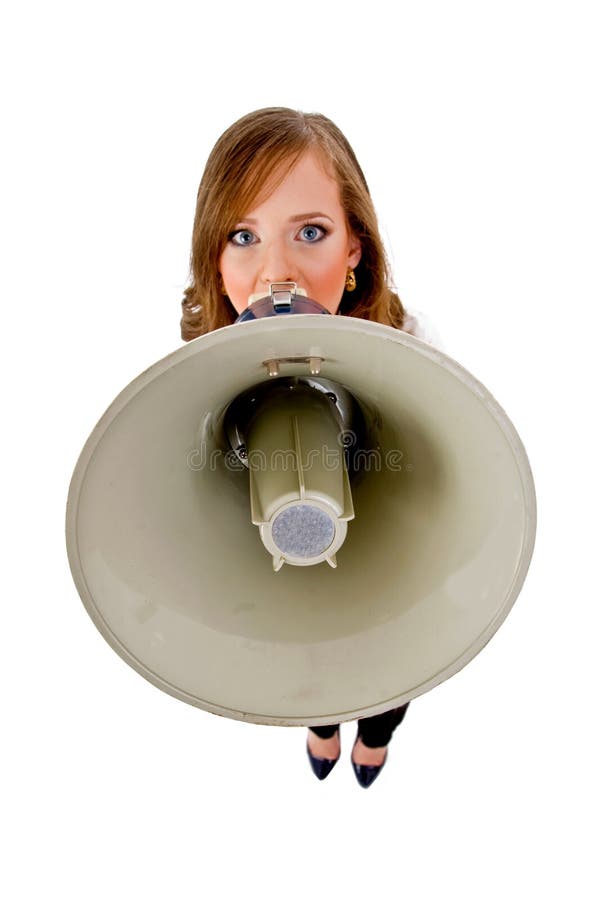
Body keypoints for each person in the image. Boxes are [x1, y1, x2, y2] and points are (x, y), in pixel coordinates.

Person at [180, 107, 436, 788]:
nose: (274, 274)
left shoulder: (411, 344)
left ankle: (375, 735)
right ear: (213, 249)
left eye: (311, 232)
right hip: (282, 576)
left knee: (391, 663)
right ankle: (322, 721)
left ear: (354, 245)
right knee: (311, 651)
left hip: (381, 553)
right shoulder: (191, 379)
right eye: (242, 235)